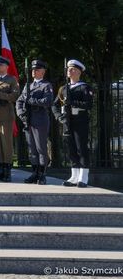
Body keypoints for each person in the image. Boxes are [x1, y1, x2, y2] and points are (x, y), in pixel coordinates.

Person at [52, 59, 93, 187]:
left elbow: (88, 104)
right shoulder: (63, 88)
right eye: (68, 69)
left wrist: (73, 102)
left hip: (79, 121)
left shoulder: (84, 87)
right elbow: (54, 105)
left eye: (73, 69)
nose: (70, 71)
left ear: (79, 72)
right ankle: (74, 176)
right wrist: (59, 117)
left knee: (81, 148)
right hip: (67, 121)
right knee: (70, 149)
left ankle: (83, 177)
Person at [16, 60, 54, 185]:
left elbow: (48, 101)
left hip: (40, 120)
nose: (34, 71)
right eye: (33, 70)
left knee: (41, 148)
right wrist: (21, 113)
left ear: (43, 72)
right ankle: (35, 172)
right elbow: (19, 101)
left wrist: (32, 101)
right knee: (32, 149)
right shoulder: (28, 86)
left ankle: (42, 174)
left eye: (37, 69)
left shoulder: (46, 85)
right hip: (28, 120)